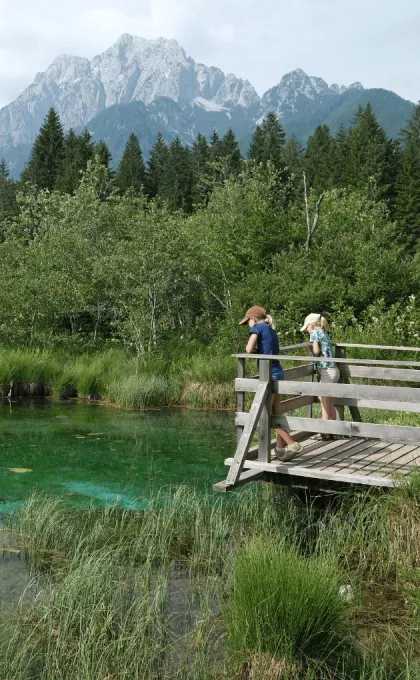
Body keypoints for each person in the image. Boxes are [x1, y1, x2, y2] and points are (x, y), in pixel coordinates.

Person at [240, 306, 302, 461]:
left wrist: (253, 350)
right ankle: (279, 449)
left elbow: (248, 349)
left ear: (253, 319)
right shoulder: (271, 329)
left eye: (247, 321)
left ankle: (292, 444)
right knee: (277, 412)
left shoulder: (257, 327)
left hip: (269, 374)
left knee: (266, 414)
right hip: (278, 370)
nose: (248, 324)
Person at [300, 313, 340, 440]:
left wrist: (312, 345)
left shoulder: (314, 333)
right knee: (329, 401)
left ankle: (323, 431)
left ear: (311, 325)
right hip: (333, 369)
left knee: (324, 402)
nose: (306, 331)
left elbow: (316, 351)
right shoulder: (324, 332)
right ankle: (334, 430)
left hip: (327, 371)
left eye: (306, 328)